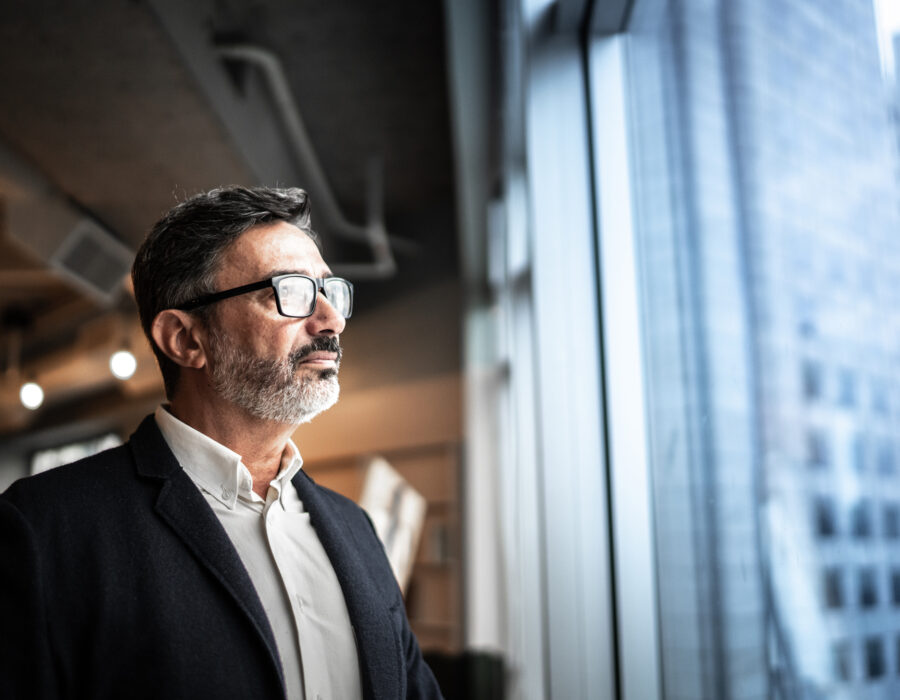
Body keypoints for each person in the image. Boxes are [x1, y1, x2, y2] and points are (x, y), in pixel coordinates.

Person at [0, 186, 443, 699]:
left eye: (329, 291)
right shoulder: (43, 530)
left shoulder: (355, 528)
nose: (333, 320)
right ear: (187, 340)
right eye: (291, 292)